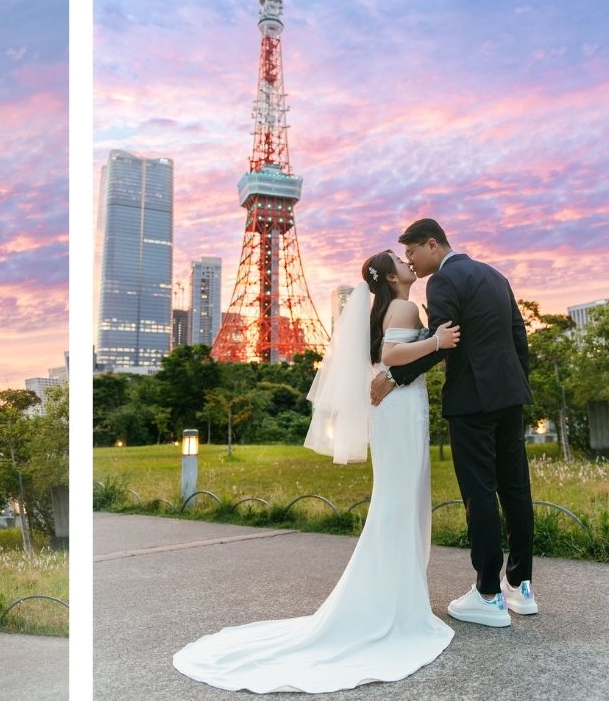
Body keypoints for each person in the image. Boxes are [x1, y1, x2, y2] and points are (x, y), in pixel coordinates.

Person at [173, 249, 460, 694]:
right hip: (401, 409)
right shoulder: (403, 305)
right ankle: (395, 600)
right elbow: (392, 356)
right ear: (388, 276)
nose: (408, 264)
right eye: (399, 262)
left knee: (396, 497)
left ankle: (393, 594)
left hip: (393, 410)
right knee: (400, 498)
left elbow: (384, 357)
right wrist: (437, 342)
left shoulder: (382, 308)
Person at [371, 218, 538, 626]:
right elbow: (519, 338)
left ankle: (488, 594)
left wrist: (395, 375)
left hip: (472, 402)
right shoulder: (495, 275)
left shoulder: (443, 282)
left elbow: (446, 340)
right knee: (515, 487)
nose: (410, 259)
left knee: (479, 491)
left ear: (432, 244)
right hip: (509, 396)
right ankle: (522, 586)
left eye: (411, 252)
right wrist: (515, 384)